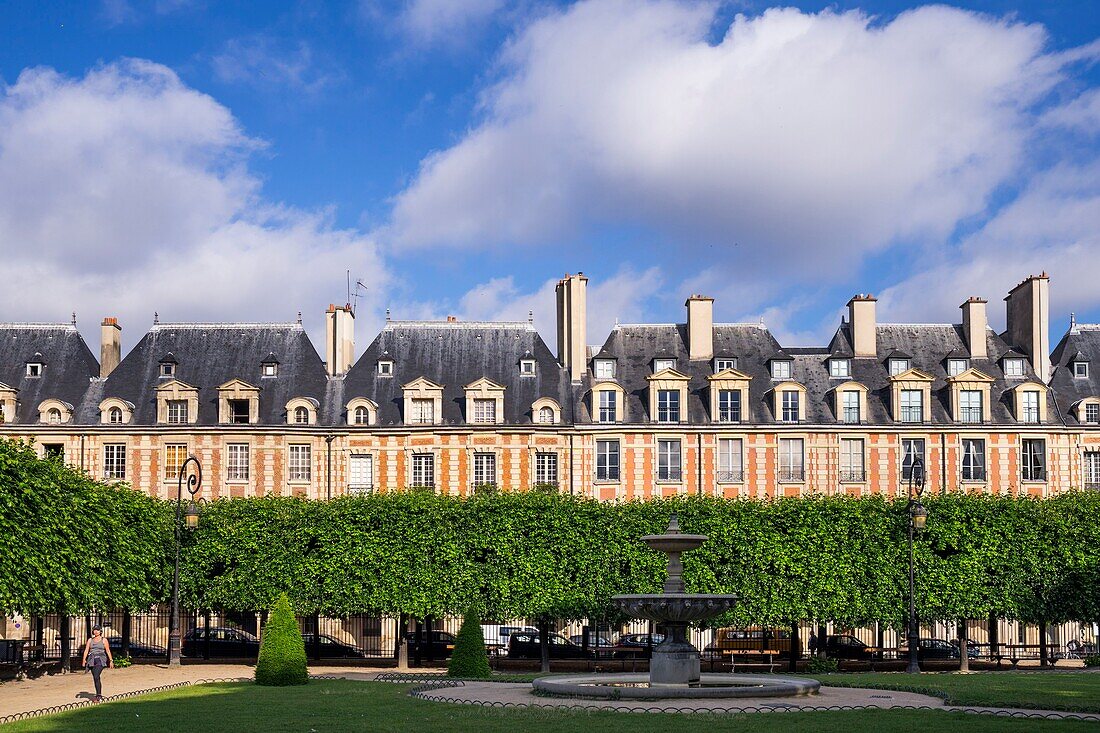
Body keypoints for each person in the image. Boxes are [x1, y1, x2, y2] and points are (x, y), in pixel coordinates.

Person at [81, 625, 113, 701]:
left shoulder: (104, 640)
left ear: (100, 631)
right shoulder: (90, 640)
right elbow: (86, 650)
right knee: (96, 678)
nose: (96, 631)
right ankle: (98, 693)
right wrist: (84, 660)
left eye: (97, 630)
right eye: (94, 630)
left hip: (100, 659)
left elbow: (108, 650)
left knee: (96, 675)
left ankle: (99, 695)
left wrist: (111, 660)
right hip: (92, 659)